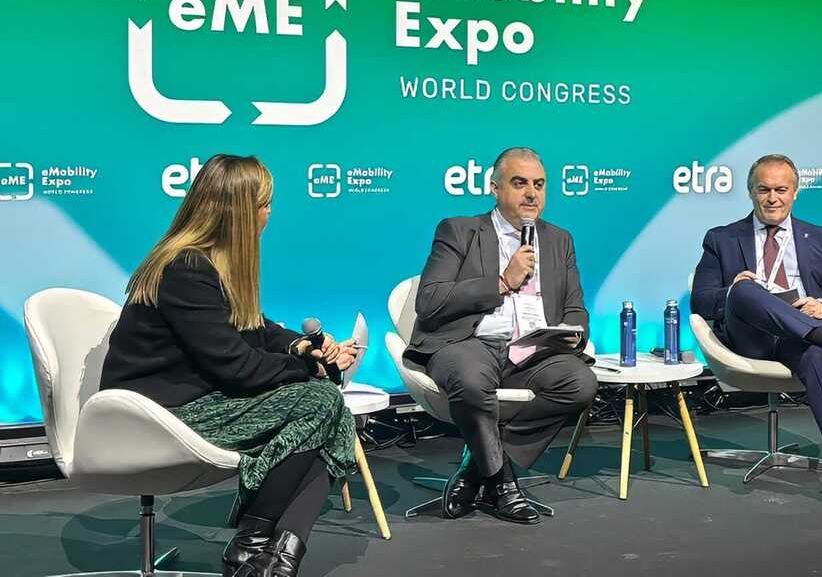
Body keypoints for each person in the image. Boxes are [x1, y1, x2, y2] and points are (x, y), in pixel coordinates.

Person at [100, 154, 358, 577]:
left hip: (196, 398)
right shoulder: (186, 268)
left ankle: (280, 559)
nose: (270, 213)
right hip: (159, 413)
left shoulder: (211, 262)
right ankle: (251, 542)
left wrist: (301, 347)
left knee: (330, 411)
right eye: (265, 205)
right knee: (320, 403)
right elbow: (238, 368)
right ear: (239, 213)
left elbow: (255, 327)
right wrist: (309, 369)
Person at [404, 147, 596, 525]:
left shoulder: (559, 240)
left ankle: (477, 467)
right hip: (470, 342)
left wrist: (573, 334)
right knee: (471, 382)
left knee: (580, 384)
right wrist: (502, 281)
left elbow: (575, 307)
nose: (531, 193)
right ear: (494, 188)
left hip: (533, 350)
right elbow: (429, 301)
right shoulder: (459, 230)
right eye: (520, 183)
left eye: (539, 184)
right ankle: (502, 482)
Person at [692, 153, 822, 513]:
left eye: (781, 190)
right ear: (751, 191)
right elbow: (700, 300)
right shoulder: (721, 238)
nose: (772, 198)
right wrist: (733, 289)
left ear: (795, 192)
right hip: (749, 338)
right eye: (763, 189)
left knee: (815, 354)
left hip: (799, 335)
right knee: (746, 289)